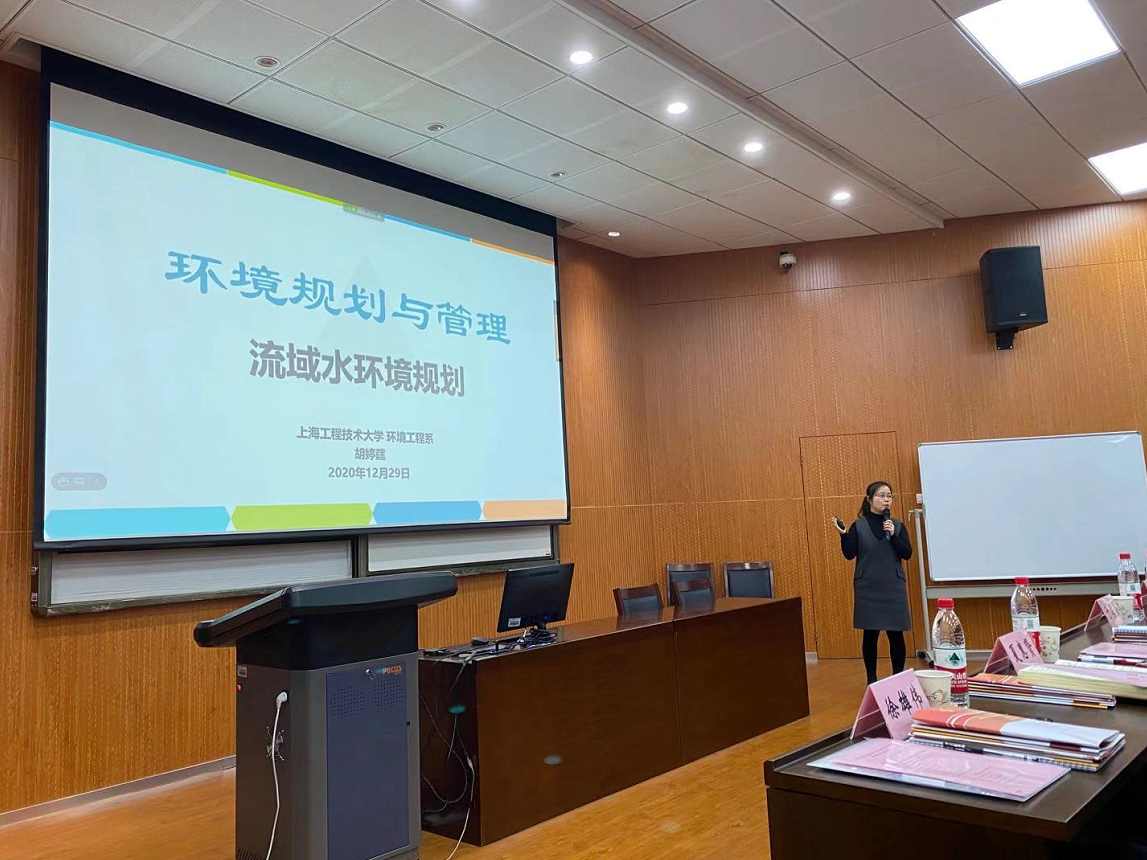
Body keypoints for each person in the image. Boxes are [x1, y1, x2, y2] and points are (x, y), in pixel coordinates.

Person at [831, 481, 912, 684]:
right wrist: (843, 535)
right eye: (881, 495)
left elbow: (907, 553)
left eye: (889, 496)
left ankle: (898, 680)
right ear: (869, 499)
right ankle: (872, 681)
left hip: (893, 586)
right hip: (868, 587)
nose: (886, 500)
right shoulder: (859, 526)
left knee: (896, 635)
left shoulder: (897, 526)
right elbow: (849, 554)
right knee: (870, 634)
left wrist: (893, 535)